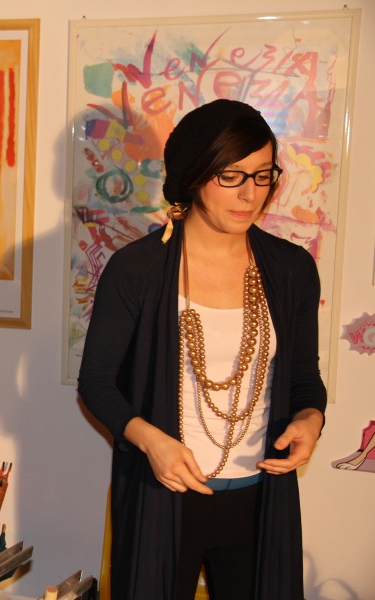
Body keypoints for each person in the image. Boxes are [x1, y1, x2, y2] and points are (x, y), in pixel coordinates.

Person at [78, 99, 327, 600]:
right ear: (194, 175)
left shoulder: (291, 269)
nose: (250, 194)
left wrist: (310, 419)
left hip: (260, 497)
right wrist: (152, 441)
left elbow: (304, 376)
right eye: (231, 176)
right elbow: (97, 382)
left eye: (263, 176)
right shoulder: (138, 270)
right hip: (163, 494)